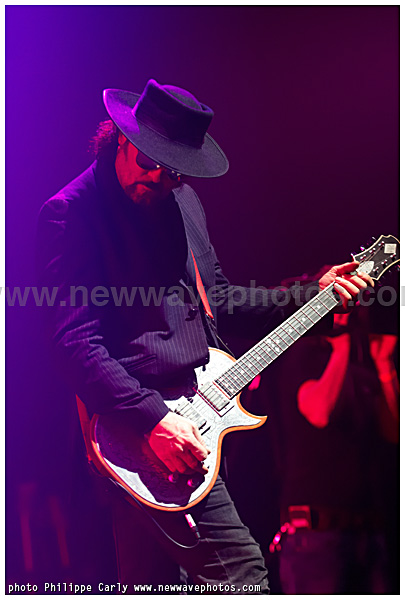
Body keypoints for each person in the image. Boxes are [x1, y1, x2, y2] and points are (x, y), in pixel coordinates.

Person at [36, 79, 373, 592]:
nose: (159, 178)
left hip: (199, 423)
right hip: (140, 431)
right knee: (243, 574)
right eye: (150, 162)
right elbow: (74, 343)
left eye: (174, 171)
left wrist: (314, 291)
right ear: (122, 138)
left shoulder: (183, 202)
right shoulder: (73, 212)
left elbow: (220, 300)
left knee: (150, 585)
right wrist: (153, 419)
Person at [272, 298, 399, 594]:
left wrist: (385, 366)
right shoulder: (304, 355)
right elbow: (319, 413)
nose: (353, 311)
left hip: (369, 530)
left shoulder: (364, 366)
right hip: (316, 534)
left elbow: (394, 433)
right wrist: (340, 346)